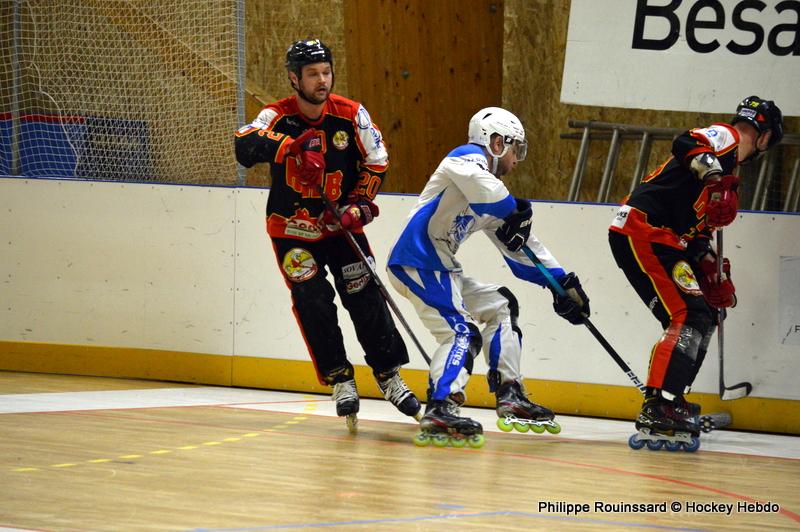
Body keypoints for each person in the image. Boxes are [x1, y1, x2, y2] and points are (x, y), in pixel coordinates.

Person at [234, 38, 421, 430]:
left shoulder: (351, 115)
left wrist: (358, 204)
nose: (322, 80)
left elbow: (378, 159)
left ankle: (389, 375)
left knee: (365, 296)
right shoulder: (277, 116)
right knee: (312, 300)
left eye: (326, 72)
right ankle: (340, 379)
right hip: (292, 229)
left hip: (340, 227)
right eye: (312, 74)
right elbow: (245, 141)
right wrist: (289, 149)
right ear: (294, 79)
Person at [387, 107, 591, 445]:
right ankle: (442, 404)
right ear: (497, 142)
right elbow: (494, 197)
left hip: (440, 266)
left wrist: (560, 284)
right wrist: (515, 211)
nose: (517, 159)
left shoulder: (491, 197)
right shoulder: (463, 160)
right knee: (461, 332)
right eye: (516, 149)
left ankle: (510, 391)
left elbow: (522, 251)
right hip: (417, 260)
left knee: (501, 305)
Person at [608, 95, 783, 448]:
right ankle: (658, 404)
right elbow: (687, 141)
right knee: (688, 314)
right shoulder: (727, 139)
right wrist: (714, 175)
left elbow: (696, 235)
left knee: (706, 314)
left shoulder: (731, 172)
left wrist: (709, 268)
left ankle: (670, 398)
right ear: (766, 137)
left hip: (667, 239)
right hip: (644, 230)